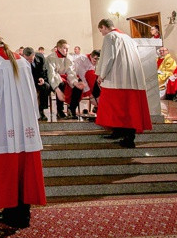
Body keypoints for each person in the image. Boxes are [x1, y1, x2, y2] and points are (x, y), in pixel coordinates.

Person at [0, 31, 46, 229]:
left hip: (4, 122)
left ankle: (10, 212)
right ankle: (23, 213)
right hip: (25, 122)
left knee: (8, 168)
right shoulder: (22, 62)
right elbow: (32, 93)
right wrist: (33, 117)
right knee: (24, 168)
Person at [95, 18, 151, 148]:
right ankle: (118, 131)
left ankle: (127, 138)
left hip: (116, 78)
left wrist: (101, 75)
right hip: (131, 78)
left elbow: (109, 57)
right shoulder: (127, 37)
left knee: (118, 108)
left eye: (101, 30)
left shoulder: (110, 36)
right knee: (128, 109)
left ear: (104, 27)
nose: (102, 33)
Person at [47, 39, 85, 119]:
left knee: (78, 86)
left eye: (68, 48)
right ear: (59, 48)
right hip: (55, 78)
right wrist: (57, 90)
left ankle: (72, 108)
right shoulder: (51, 58)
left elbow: (70, 72)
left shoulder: (69, 57)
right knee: (61, 84)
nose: (67, 50)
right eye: (65, 48)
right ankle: (60, 111)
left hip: (66, 77)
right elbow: (51, 74)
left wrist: (75, 82)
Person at [22, 46, 57, 121]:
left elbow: (43, 70)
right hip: (26, 81)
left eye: (31, 59)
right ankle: (28, 112)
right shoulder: (20, 60)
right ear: (23, 56)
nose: (29, 61)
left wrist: (42, 78)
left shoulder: (40, 57)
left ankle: (41, 111)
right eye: (27, 59)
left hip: (38, 79)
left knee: (46, 86)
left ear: (34, 55)